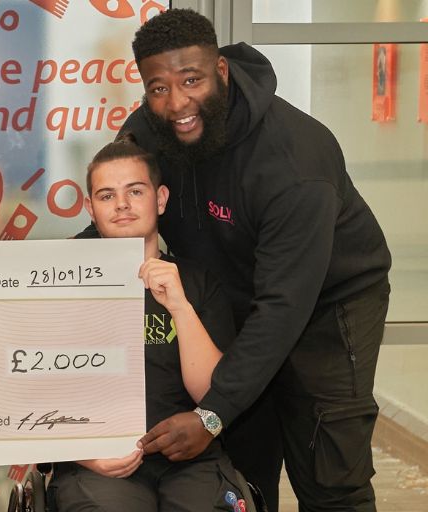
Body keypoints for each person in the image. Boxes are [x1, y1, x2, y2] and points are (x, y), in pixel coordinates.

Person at [117, 9, 391, 511]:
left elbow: (284, 306)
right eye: (158, 88)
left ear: (220, 71)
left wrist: (212, 414)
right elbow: (120, 219)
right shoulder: (148, 133)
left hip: (324, 308)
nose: (176, 103)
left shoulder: (292, 162)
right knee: (239, 471)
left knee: (328, 473)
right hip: (227, 299)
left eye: (191, 80)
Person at [51, 137, 245, 511]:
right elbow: (32, 392)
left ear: (160, 199)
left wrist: (180, 306)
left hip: (191, 461)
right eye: (107, 195)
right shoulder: (61, 285)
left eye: (135, 191)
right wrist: (84, 455)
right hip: (97, 462)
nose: (122, 204)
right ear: (91, 208)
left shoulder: (199, 282)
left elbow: (211, 393)